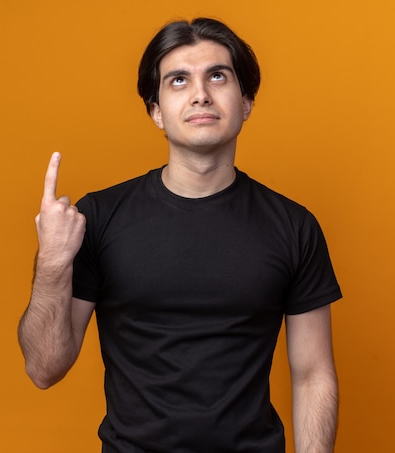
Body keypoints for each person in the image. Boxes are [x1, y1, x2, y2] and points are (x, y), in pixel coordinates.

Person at [18, 17, 342, 453]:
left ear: (246, 101)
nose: (200, 94)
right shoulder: (100, 217)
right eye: (178, 80)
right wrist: (54, 261)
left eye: (217, 75)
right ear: (156, 111)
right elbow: (44, 368)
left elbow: (313, 373)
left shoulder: (294, 226)